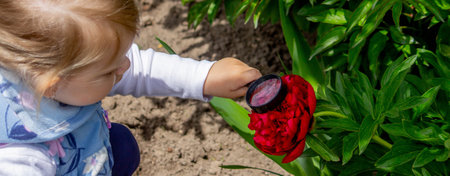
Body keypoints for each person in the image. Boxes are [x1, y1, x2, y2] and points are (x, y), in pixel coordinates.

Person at [0, 0, 262, 175]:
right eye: (109, 70)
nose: (125, 67)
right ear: (51, 85)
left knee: (122, 146)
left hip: (79, 151)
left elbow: (137, 66)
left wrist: (203, 76)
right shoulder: (22, 159)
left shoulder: (61, 70)